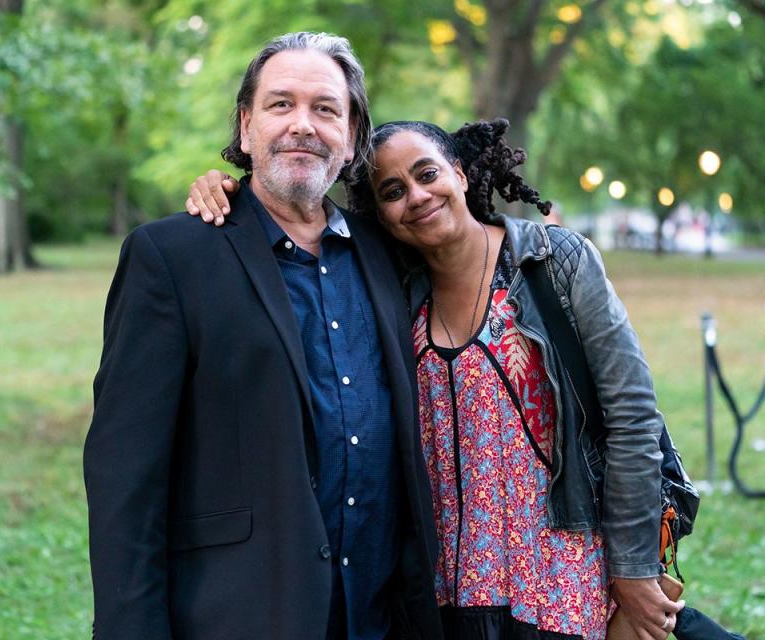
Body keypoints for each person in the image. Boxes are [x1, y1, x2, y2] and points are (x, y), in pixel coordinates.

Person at [187, 119, 684, 640]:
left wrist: (631, 568)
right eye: (393, 192)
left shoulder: (552, 262)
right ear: (381, 215)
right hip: (441, 595)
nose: (418, 196)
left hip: (560, 586)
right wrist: (229, 195)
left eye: (428, 174)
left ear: (461, 174)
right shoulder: (387, 289)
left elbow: (632, 418)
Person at [84, 32, 443, 640]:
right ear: (246, 127)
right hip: (236, 615)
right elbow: (125, 479)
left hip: (381, 617)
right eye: (281, 105)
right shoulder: (172, 257)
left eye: (326, 109)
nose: (302, 124)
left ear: (352, 136)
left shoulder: (390, 251)